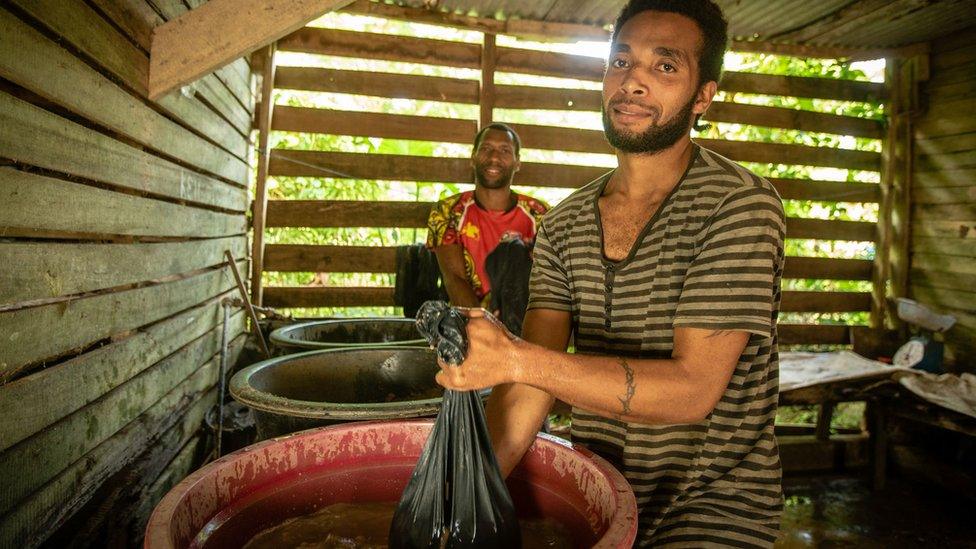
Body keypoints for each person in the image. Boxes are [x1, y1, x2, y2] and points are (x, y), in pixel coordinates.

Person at [434, 1, 786, 546]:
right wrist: (456, 502)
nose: (633, 83)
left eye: (664, 66)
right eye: (621, 62)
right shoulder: (565, 223)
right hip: (603, 487)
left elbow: (692, 391)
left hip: (711, 508)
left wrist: (513, 356)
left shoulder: (737, 205)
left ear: (703, 97)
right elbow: (532, 380)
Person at [426, 123, 549, 309]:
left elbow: (546, 284)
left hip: (524, 324)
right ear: (473, 157)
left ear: (518, 162)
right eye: (486, 148)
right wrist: (485, 328)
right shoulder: (448, 211)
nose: (494, 157)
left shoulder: (539, 214)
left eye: (505, 150)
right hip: (469, 324)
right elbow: (455, 278)